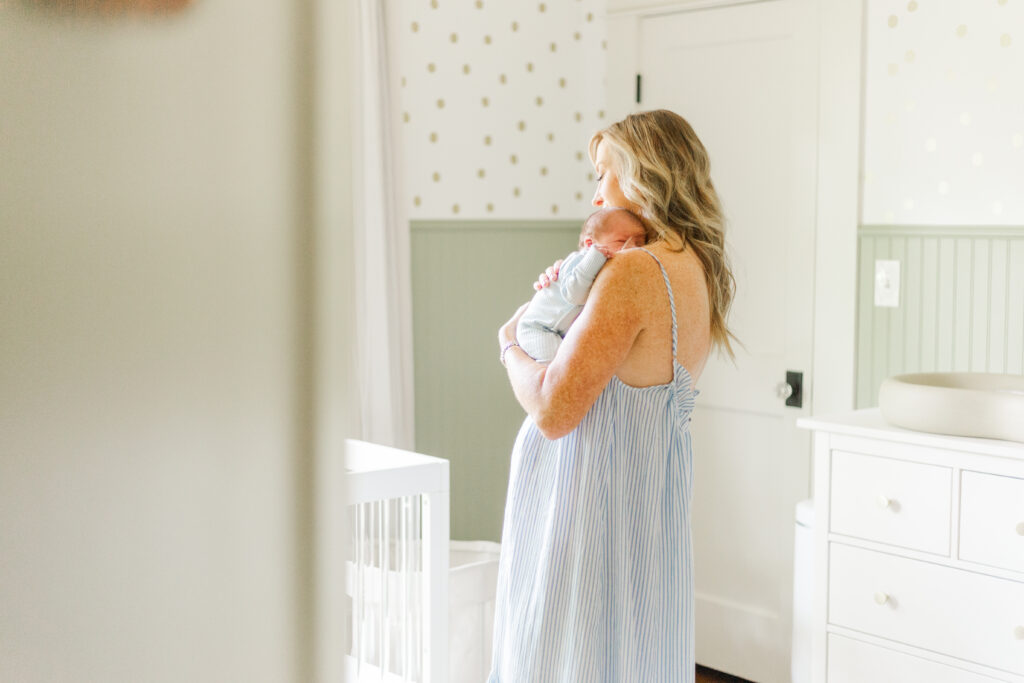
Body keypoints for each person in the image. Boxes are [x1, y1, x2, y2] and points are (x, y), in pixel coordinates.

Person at [490, 109, 736, 683]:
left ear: (642, 174)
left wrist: (508, 344)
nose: (597, 193)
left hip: (585, 507)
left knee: (563, 658)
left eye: (603, 174)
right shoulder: (689, 268)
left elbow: (553, 411)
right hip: (641, 509)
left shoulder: (636, 272)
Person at [517, 207, 647, 363]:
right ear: (590, 244)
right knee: (560, 363)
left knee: (573, 358)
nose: (632, 247)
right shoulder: (580, 260)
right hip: (537, 328)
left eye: (639, 243)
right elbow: (574, 295)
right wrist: (595, 256)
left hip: (558, 331)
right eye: (621, 241)